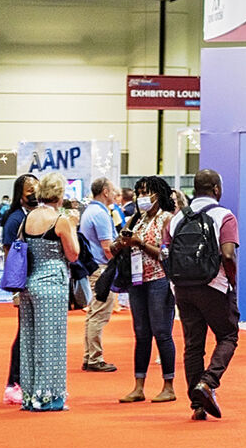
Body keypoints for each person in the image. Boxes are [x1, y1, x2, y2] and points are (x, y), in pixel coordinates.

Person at [168, 168, 241, 421]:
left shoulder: (177, 219)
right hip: (214, 286)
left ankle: (197, 405)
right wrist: (230, 280)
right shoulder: (225, 216)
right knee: (228, 335)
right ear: (217, 189)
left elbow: (166, 253)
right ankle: (208, 383)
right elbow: (229, 254)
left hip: (183, 288)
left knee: (193, 345)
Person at [14, 172, 80, 411]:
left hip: (29, 284)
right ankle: (49, 397)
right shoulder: (59, 220)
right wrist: (73, 226)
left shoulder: (28, 218)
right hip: (52, 284)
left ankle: (30, 395)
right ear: (60, 194)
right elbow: (73, 254)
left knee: (30, 342)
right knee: (51, 343)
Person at [117, 177, 178, 404]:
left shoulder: (166, 219)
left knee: (162, 332)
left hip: (159, 279)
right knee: (141, 334)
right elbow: (118, 244)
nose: (143, 197)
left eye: (147, 192)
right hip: (137, 280)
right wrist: (123, 242)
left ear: (158, 195)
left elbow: (166, 254)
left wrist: (140, 243)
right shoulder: (137, 220)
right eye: (140, 192)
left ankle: (168, 385)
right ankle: (138, 386)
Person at [78, 177, 121, 373]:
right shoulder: (101, 214)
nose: (115, 194)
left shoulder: (91, 211)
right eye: (112, 190)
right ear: (105, 191)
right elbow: (107, 247)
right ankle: (95, 357)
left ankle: (90, 356)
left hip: (93, 267)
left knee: (94, 314)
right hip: (102, 268)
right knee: (99, 314)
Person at [0, 172, 35, 405]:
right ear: (20, 195)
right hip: (22, 284)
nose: (34, 194)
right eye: (30, 190)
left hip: (31, 282)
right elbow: (9, 254)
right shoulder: (15, 219)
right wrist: (15, 288)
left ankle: (24, 381)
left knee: (28, 334)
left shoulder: (33, 215)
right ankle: (13, 383)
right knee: (23, 334)